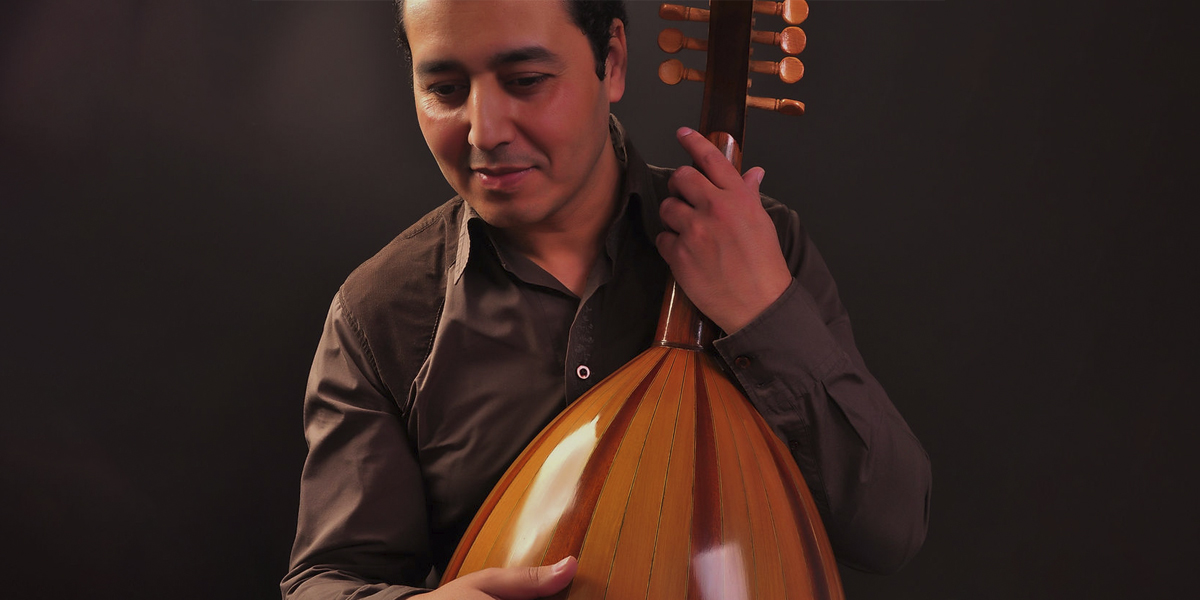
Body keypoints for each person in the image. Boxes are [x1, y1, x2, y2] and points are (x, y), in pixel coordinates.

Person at [281, 1, 932, 599]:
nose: (484, 130)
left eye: (526, 80)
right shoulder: (383, 313)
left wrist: (764, 311)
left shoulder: (761, 247)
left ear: (612, 61)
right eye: (446, 89)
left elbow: (891, 531)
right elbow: (325, 581)